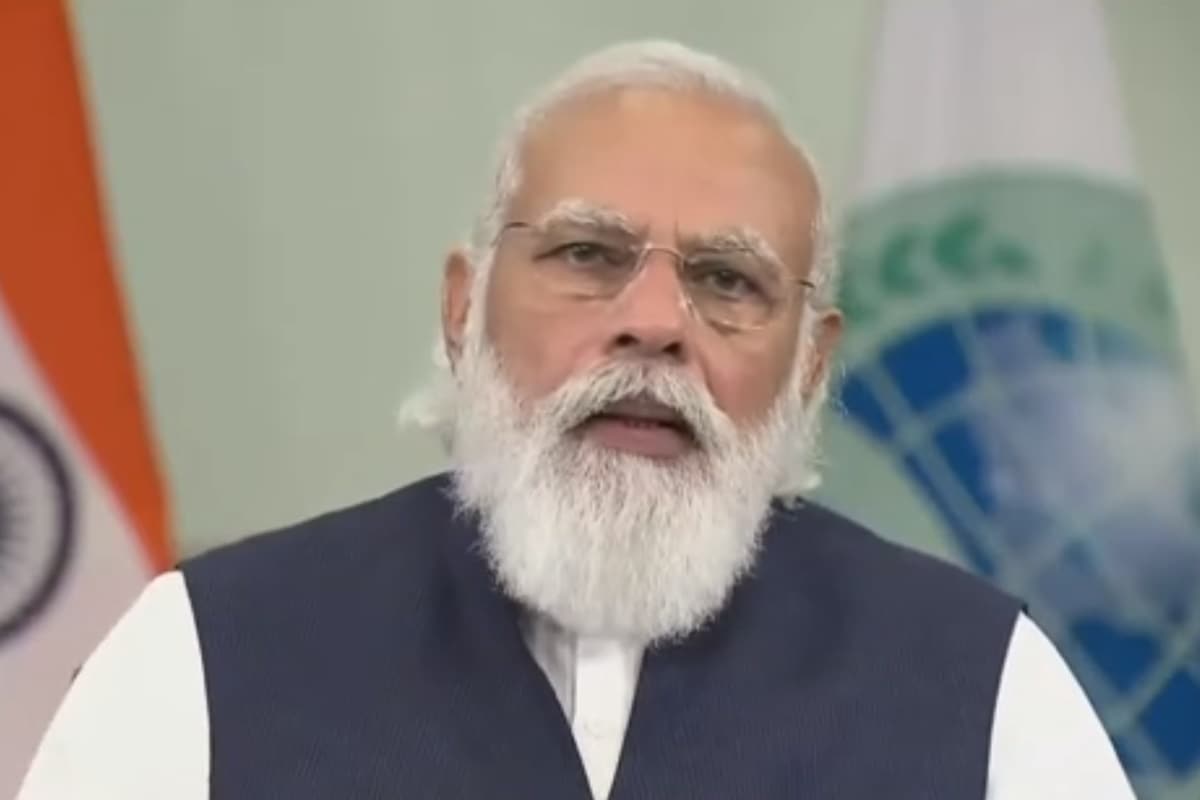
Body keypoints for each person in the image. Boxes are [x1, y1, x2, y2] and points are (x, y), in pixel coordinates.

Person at [19, 40, 1134, 800]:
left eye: (729, 280)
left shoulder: (985, 686)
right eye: (588, 255)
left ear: (809, 365)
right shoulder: (207, 655)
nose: (653, 323)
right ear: (462, 310)